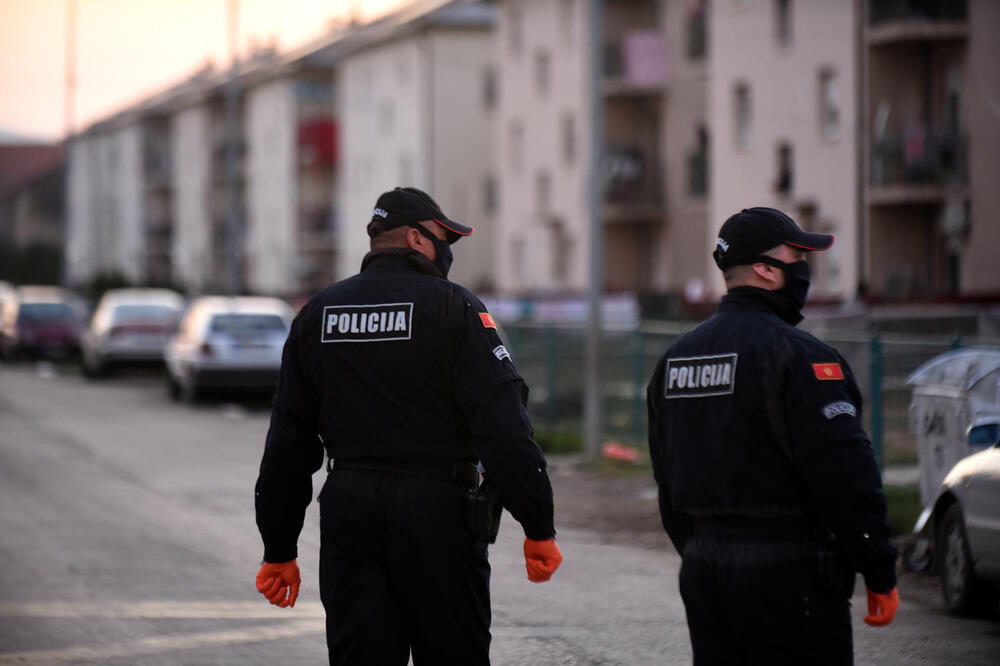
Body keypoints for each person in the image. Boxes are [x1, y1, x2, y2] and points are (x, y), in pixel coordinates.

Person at [253, 186, 562, 665]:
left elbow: (289, 442)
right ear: (418, 241)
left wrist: (279, 547)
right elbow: (503, 426)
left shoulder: (317, 314)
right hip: (438, 513)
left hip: (349, 510)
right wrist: (538, 524)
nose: (447, 253)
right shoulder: (454, 308)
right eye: (445, 240)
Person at [646, 207, 899, 664]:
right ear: (766, 269)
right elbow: (846, 472)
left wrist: (704, 548)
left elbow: (665, 475)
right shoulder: (800, 356)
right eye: (798, 255)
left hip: (704, 569)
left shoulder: (675, 360)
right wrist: (877, 567)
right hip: (789, 571)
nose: (805, 268)